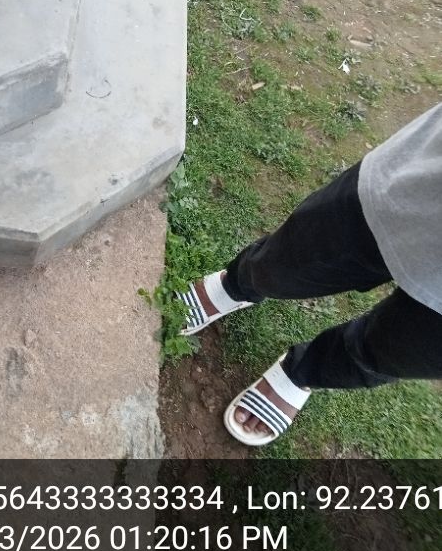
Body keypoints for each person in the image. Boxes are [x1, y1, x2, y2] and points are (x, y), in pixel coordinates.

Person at [177, 103, 442, 446]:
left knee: (389, 351)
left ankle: (304, 372)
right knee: (291, 260)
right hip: (420, 194)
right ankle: (238, 285)